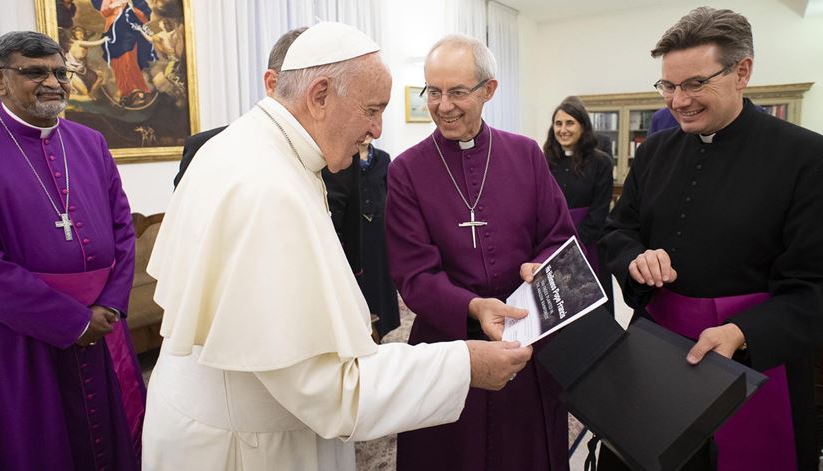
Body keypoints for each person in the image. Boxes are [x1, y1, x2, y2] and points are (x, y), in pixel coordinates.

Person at [142, 22, 532, 471]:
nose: (377, 129)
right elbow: (331, 392)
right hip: (245, 446)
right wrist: (464, 364)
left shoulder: (246, 147)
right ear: (320, 95)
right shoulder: (269, 190)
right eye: (372, 109)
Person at [599, 7, 823, 471]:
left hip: (751, 360)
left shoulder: (812, 160)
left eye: (694, 84)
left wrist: (743, 333)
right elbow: (618, 230)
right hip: (655, 350)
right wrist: (634, 259)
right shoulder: (653, 155)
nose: (677, 101)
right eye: (668, 85)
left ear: (742, 71)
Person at [386, 34, 577, 471]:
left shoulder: (525, 154)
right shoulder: (406, 171)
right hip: (445, 345)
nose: (442, 105)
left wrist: (542, 267)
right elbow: (414, 273)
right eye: (433, 92)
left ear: (488, 91)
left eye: (457, 92)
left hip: (523, 340)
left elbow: (559, 237)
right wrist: (473, 306)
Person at [0, 31, 141, 470]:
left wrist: (111, 308)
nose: (53, 82)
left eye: (62, 72)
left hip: (103, 327)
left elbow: (123, 229)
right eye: (35, 72)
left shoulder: (89, 142)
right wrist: (73, 322)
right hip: (23, 335)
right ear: (1, 80)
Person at [544, 96, 615, 315]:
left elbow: (599, 212)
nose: (563, 129)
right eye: (558, 123)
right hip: (552, 242)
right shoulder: (544, 159)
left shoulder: (600, 162)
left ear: (583, 126)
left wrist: (573, 249)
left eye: (569, 123)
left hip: (588, 242)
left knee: (591, 309)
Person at [324, 135, 400, 338]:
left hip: (378, 229)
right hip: (355, 229)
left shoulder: (383, 159)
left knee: (379, 278)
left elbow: (390, 193)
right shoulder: (343, 159)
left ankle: (381, 328)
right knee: (358, 278)